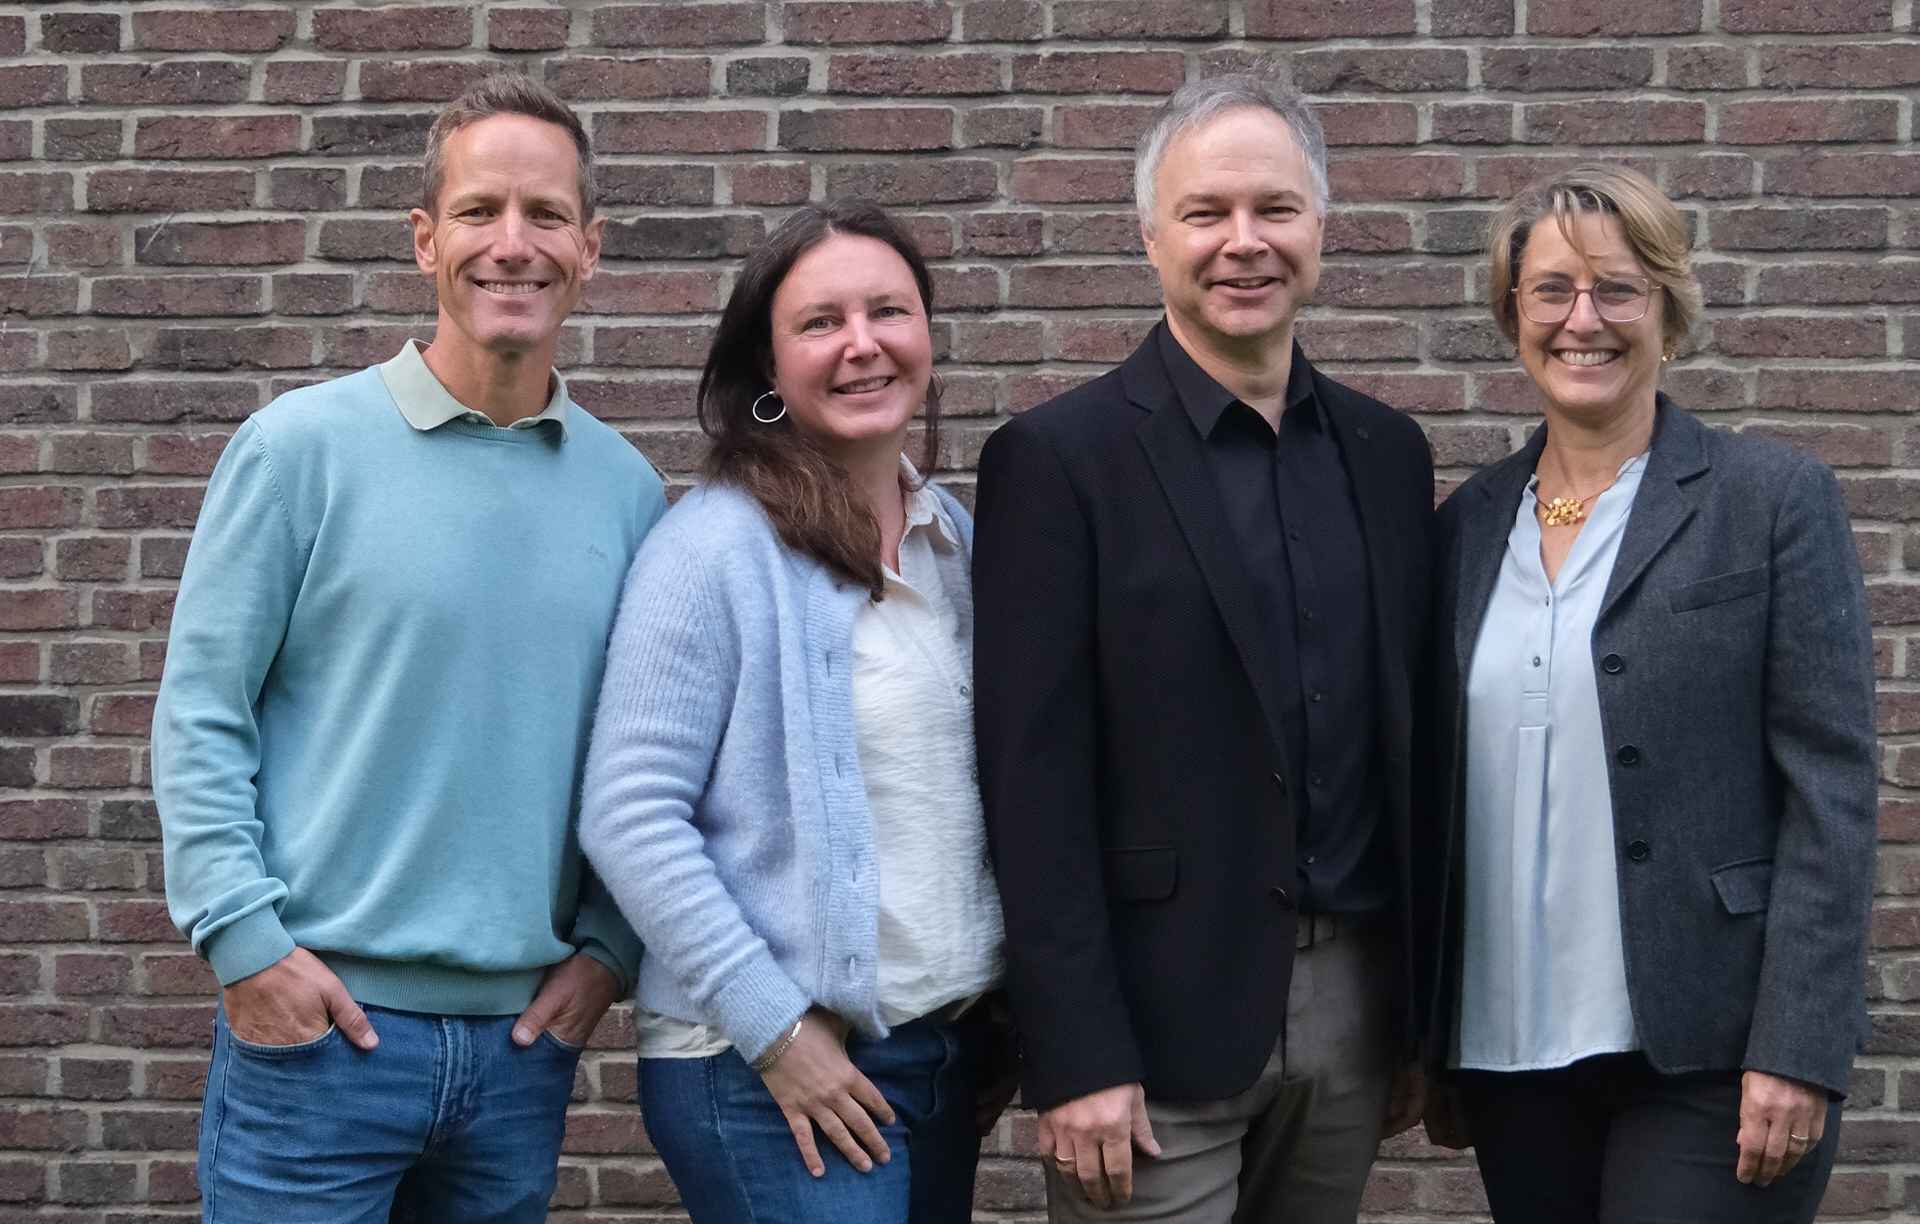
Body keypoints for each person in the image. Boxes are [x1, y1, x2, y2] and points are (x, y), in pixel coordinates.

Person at [151, 75, 662, 1220]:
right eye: (479, 211)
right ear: (426, 240)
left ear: (589, 248)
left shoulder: (627, 491)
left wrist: (608, 952)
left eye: (545, 215)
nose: (512, 244)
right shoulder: (298, 451)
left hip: (519, 1058)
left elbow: (645, 752)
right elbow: (201, 711)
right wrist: (243, 944)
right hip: (318, 1044)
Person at [973, 74, 1437, 1223]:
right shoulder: (1057, 462)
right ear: (1149, 237)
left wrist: (1416, 1021)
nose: (1243, 242)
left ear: (1320, 226)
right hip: (1147, 1034)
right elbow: (1030, 787)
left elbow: (1406, 745)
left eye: (1274, 208)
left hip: (1353, 1020)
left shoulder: (1388, 454)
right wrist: (1074, 1050)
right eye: (1204, 213)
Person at [1430, 164, 1878, 1223]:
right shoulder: (1463, 527)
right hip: (1512, 1054)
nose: (1581, 320)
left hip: (1711, 1049)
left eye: (1617, 289)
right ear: (1512, 315)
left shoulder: (1768, 501)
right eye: (1551, 290)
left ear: (1667, 311)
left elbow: (1831, 789)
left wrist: (1798, 1047)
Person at [577, 199, 1009, 1224]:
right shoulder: (715, 549)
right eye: (820, 322)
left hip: (939, 1057)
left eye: (888, 311)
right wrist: (774, 1028)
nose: (862, 344)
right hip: (765, 1072)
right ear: (767, 368)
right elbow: (628, 814)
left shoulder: (955, 540)